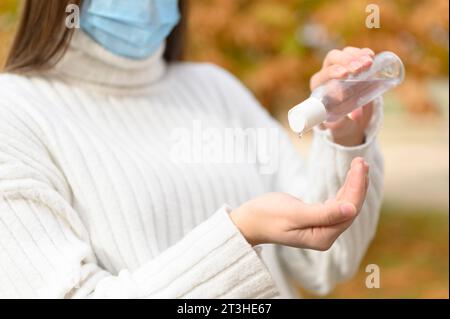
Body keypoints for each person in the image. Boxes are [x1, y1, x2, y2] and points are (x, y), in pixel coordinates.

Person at [0, 0, 383, 298]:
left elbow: (324, 264)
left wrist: (343, 137)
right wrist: (240, 235)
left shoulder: (215, 88)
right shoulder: (15, 112)